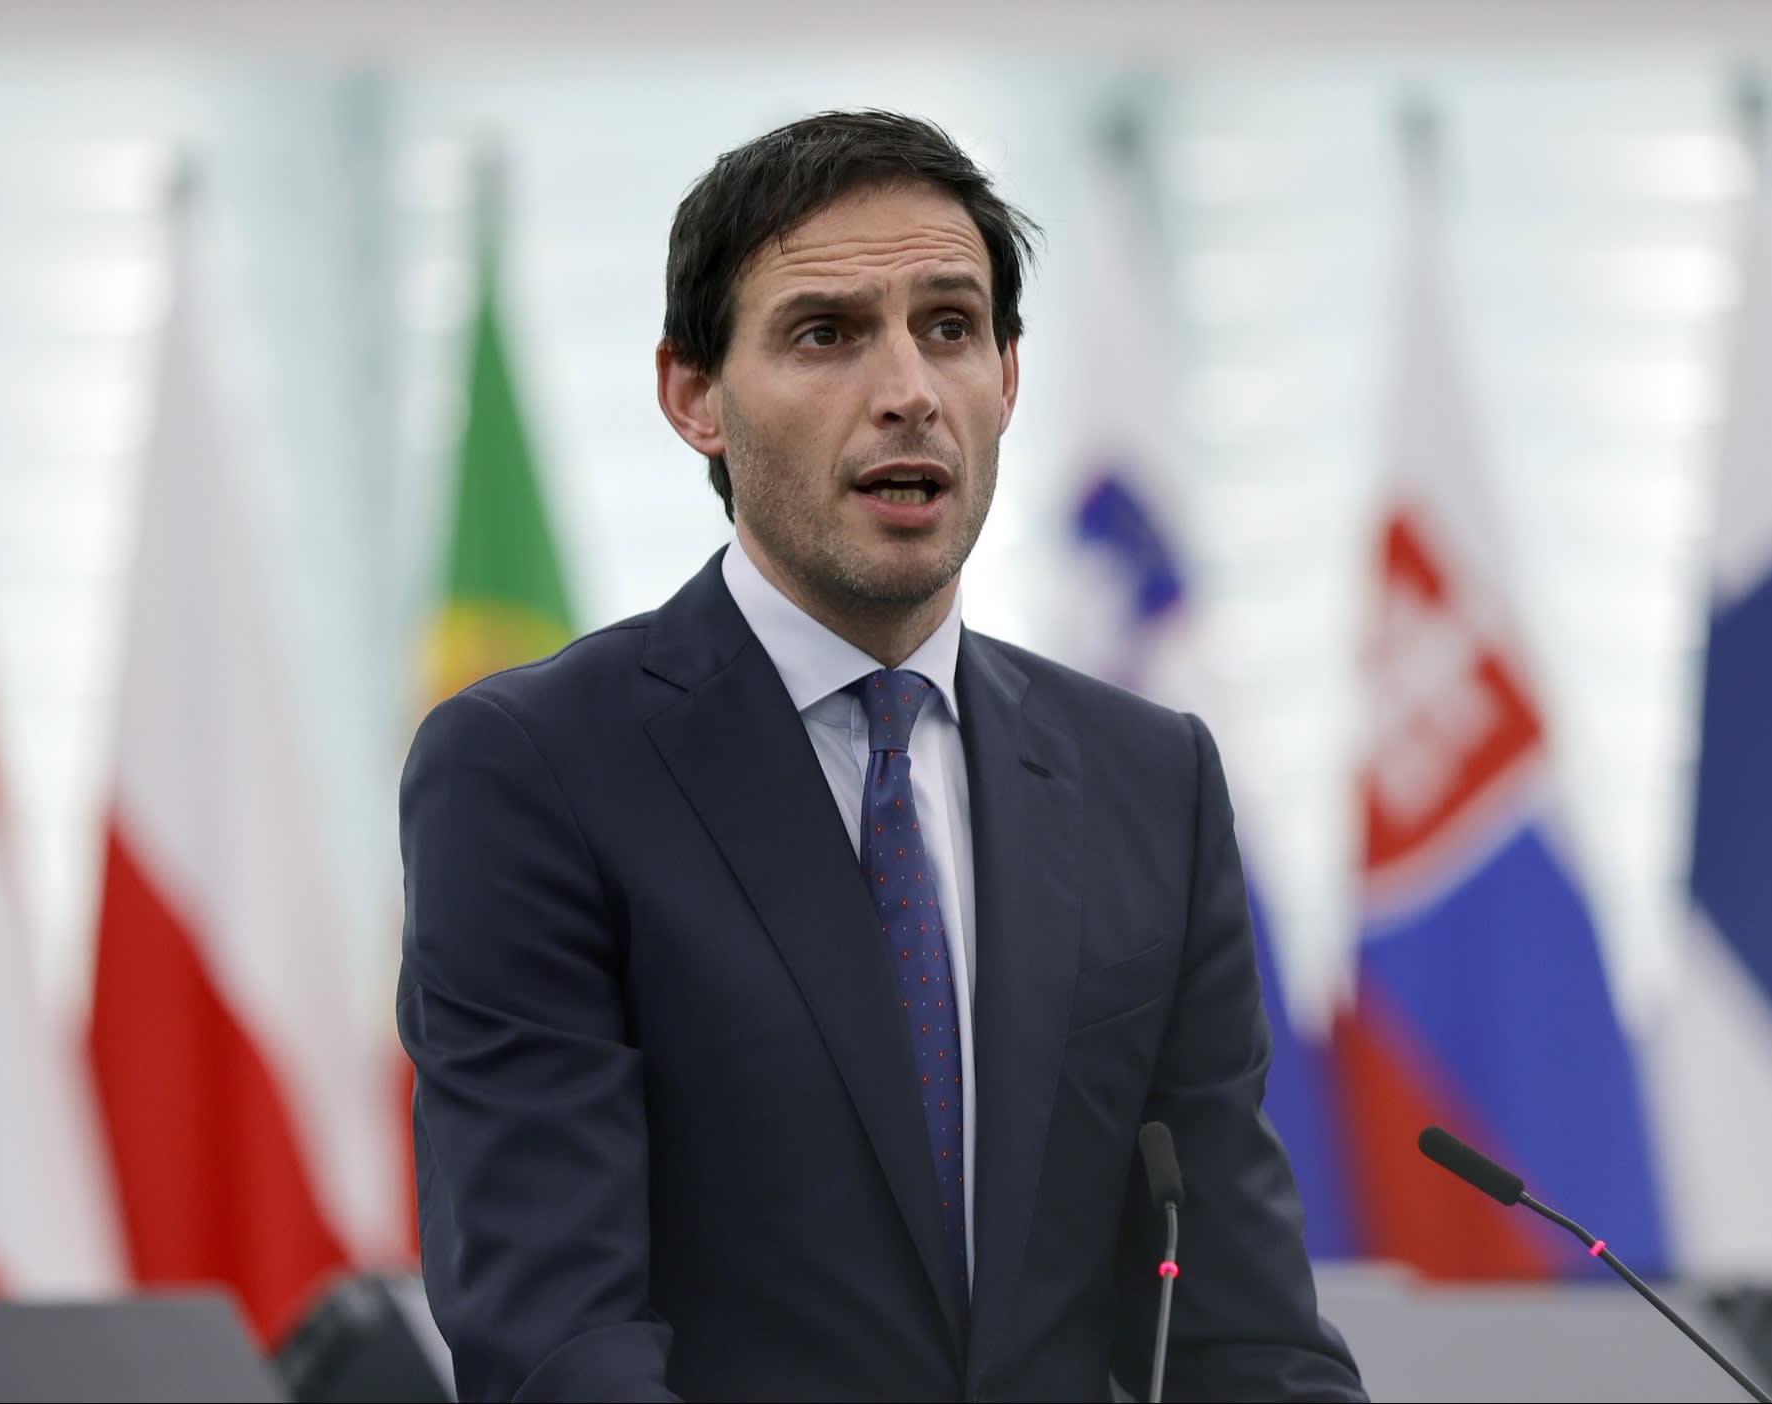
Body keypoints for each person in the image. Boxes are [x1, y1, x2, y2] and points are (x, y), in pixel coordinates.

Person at [397, 109, 1365, 1403]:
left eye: (950, 329)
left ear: (1007, 380)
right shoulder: (533, 771)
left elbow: (1241, 1325)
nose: (908, 388)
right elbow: (558, 1340)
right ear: (694, 396)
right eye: (827, 333)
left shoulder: (1151, 777)